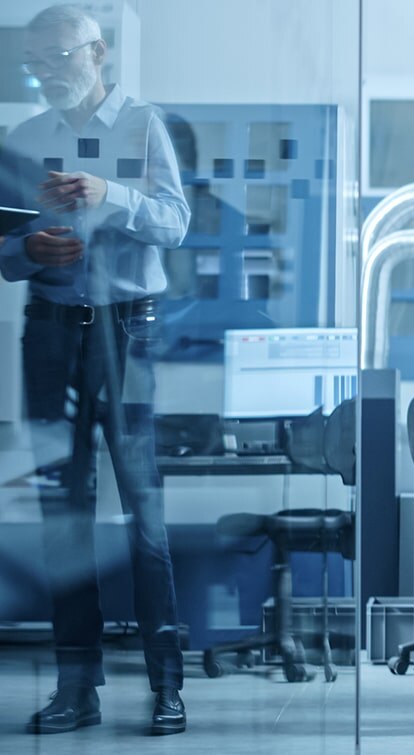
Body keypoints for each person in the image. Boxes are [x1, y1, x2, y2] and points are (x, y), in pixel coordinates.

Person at [0, 4, 190, 737]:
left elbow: (175, 223)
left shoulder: (143, 126)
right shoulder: (23, 138)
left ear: (99, 51)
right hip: (48, 336)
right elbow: (6, 246)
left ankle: (167, 686)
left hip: (126, 334)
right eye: (36, 64)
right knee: (63, 519)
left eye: (60, 59)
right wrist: (25, 255)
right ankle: (77, 687)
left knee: (144, 515)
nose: (48, 74)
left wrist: (110, 193)